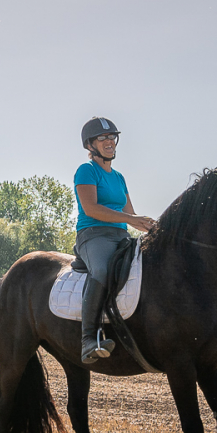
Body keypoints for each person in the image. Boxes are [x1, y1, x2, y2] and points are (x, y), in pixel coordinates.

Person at [73, 118, 158, 363]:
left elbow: (129, 214)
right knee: (101, 270)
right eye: (103, 138)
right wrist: (131, 218)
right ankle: (88, 339)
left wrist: (145, 224)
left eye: (112, 137)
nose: (109, 142)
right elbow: (91, 208)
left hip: (121, 236)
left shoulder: (119, 177)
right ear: (90, 145)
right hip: (94, 235)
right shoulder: (86, 171)